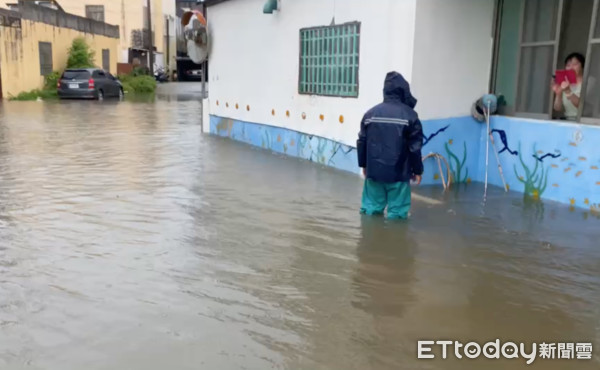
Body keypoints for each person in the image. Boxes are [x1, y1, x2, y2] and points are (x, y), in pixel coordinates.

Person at [356, 71, 424, 220]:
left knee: (370, 212)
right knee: (397, 215)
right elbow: (415, 147)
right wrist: (418, 170)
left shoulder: (370, 115)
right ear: (404, 91)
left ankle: (368, 241)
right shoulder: (410, 116)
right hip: (399, 175)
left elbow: (362, 142)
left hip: (374, 174)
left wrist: (364, 166)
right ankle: (395, 242)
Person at [552, 52, 585, 121]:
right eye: (568, 65)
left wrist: (568, 91)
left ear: (582, 66)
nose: (571, 68)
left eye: (575, 64)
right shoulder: (565, 83)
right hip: (569, 121)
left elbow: (583, 106)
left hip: (584, 121)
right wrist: (558, 94)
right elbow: (557, 108)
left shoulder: (589, 81)